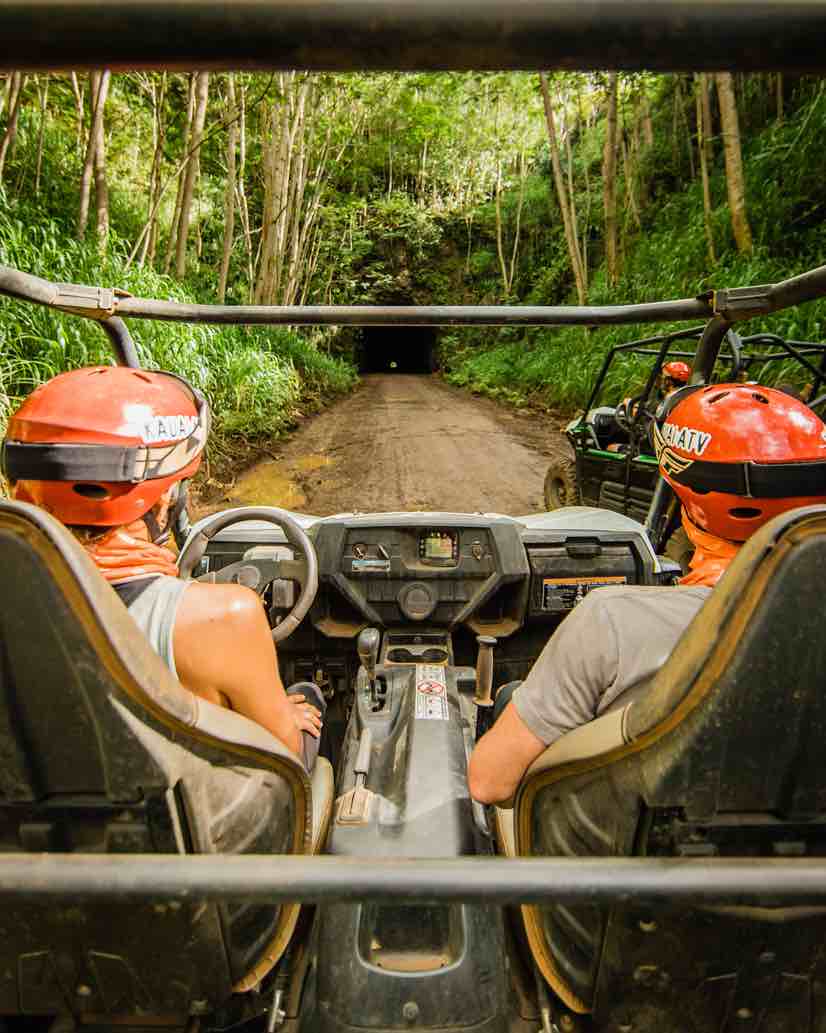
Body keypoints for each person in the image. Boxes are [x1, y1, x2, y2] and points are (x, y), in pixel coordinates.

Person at [469, 382, 826, 804]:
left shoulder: (612, 622)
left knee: (510, 699)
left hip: (637, 850)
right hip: (791, 854)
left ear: (689, 507)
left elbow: (489, 784)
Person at [2, 365, 324, 768]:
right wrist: (286, 716)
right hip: (185, 825)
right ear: (163, 498)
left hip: (31, 823)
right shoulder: (226, 616)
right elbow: (284, 754)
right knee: (307, 697)